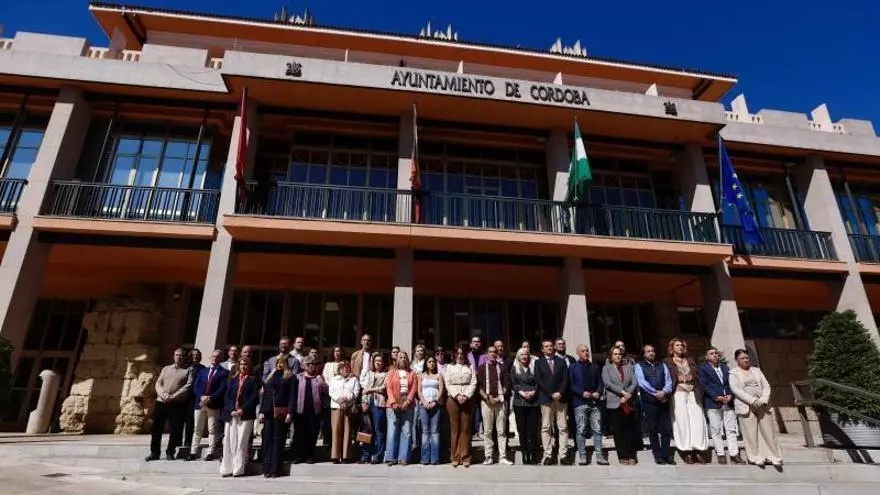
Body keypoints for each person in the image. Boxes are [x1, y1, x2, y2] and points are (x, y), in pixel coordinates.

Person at [729, 349, 782, 467]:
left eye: (747, 358)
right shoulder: (733, 373)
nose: (746, 360)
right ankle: (755, 457)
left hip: (762, 405)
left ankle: (774, 456)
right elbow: (735, 389)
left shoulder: (756, 371)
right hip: (746, 406)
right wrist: (752, 401)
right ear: (737, 360)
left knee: (768, 432)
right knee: (751, 433)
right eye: (743, 358)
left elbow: (766, 385)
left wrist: (763, 399)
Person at [697, 347, 744, 464]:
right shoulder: (703, 369)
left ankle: (734, 454)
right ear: (707, 357)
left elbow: (730, 383)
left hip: (728, 402)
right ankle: (720, 453)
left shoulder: (725, 368)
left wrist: (730, 395)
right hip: (713, 403)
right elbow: (704, 384)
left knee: (731, 429)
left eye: (716, 353)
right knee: (716, 429)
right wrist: (716, 396)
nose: (715, 355)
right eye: (711, 354)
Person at [665, 338, 708, 464]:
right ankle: (687, 451)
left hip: (693, 391)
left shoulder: (690, 360)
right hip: (678, 392)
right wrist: (677, 378)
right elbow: (667, 377)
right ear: (672, 348)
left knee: (697, 420)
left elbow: (697, 375)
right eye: (677, 345)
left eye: (682, 345)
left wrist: (692, 377)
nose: (680, 347)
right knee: (681, 420)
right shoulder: (667, 362)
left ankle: (698, 450)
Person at [146, 348, 192, 462]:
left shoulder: (187, 370)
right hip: (162, 402)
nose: (178, 357)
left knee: (175, 429)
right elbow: (158, 383)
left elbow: (188, 385)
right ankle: (154, 453)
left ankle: (170, 452)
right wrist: (164, 395)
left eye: (181, 355)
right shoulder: (166, 369)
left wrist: (174, 396)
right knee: (157, 428)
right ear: (173, 356)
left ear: (184, 357)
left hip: (176, 403)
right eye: (176, 355)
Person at [220, 354, 260, 477]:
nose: (243, 366)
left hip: (245, 415)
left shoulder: (254, 380)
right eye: (241, 364)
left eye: (245, 364)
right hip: (231, 414)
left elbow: (254, 398)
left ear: (249, 366)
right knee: (228, 441)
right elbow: (227, 396)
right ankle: (227, 469)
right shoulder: (233, 379)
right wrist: (231, 409)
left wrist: (242, 409)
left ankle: (238, 469)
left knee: (241, 442)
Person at [635, 344, 674, 465]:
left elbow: (668, 381)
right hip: (649, 401)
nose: (651, 353)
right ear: (644, 354)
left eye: (652, 351)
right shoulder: (639, 366)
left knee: (666, 429)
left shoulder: (662, 365)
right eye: (648, 351)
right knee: (653, 429)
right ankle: (658, 456)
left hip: (663, 400)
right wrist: (655, 392)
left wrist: (664, 392)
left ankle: (666, 455)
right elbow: (641, 382)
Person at [570, 345, 608, 465]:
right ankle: (582, 455)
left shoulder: (595, 366)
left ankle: (599, 456)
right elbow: (570, 384)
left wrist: (598, 392)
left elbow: (601, 383)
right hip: (580, 403)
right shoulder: (572, 367)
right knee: (581, 429)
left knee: (597, 430)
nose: (586, 353)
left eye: (587, 351)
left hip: (595, 403)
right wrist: (581, 393)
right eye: (583, 351)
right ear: (577, 353)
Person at [188, 349, 228, 461]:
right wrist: (201, 396)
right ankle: (193, 452)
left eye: (218, 357)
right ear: (210, 358)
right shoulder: (202, 371)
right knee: (197, 429)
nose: (215, 358)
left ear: (221, 359)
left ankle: (210, 452)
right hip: (200, 403)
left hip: (213, 404)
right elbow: (196, 386)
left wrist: (210, 398)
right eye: (213, 356)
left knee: (212, 429)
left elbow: (223, 388)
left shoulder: (224, 372)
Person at [535, 339, 570, 465]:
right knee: (546, 427)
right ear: (542, 349)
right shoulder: (538, 362)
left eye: (550, 346)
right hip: (546, 399)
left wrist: (560, 392)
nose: (549, 348)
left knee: (563, 427)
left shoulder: (561, 361)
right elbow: (539, 380)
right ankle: (548, 454)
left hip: (561, 398)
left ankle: (563, 454)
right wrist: (550, 394)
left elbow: (566, 379)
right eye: (546, 346)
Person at [259, 354, 295, 477]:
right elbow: (265, 396)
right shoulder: (271, 377)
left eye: (282, 362)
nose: (279, 364)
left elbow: (292, 396)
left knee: (278, 440)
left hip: (281, 413)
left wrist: (290, 412)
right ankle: (266, 468)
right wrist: (261, 412)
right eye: (277, 362)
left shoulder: (290, 377)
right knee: (267, 439)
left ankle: (275, 469)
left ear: (286, 364)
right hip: (269, 412)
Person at [603, 346, 638, 465]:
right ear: (611, 356)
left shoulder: (628, 367)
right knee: (619, 431)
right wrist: (622, 392)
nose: (617, 356)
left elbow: (634, 382)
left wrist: (628, 394)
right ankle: (622, 456)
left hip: (628, 402)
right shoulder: (606, 368)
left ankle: (631, 455)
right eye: (615, 354)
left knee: (629, 430)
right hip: (614, 403)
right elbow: (607, 383)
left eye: (619, 354)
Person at [477, 345, 512, 465]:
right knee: (487, 430)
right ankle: (488, 456)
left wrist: (499, 397)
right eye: (490, 352)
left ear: (497, 354)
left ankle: (502, 456)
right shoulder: (481, 368)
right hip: (486, 403)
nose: (492, 354)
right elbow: (479, 387)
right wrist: (488, 397)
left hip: (500, 402)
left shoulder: (502, 367)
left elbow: (507, 385)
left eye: (494, 352)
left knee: (501, 430)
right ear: (487, 354)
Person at [444, 344, 477, 468]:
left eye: (462, 354)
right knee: (455, 429)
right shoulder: (449, 367)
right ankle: (455, 457)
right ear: (454, 355)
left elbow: (473, 382)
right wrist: (457, 395)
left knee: (466, 428)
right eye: (457, 354)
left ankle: (466, 457)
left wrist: (466, 395)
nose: (459, 356)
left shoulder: (470, 367)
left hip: (467, 399)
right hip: (453, 399)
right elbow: (447, 382)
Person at [291, 356, 326, 464]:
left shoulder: (319, 377)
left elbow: (326, 391)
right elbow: (293, 394)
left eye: (314, 364)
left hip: (315, 411)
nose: (311, 366)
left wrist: (322, 383)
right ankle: (297, 456)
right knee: (299, 434)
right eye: (309, 364)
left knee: (312, 434)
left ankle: (309, 456)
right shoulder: (297, 377)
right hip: (300, 410)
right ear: (303, 366)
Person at [385, 352, 417, 465]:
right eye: (400, 357)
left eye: (405, 357)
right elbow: (388, 388)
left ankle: (403, 457)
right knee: (392, 432)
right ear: (397, 360)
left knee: (407, 431)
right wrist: (393, 402)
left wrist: (408, 401)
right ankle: (391, 457)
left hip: (408, 405)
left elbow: (414, 388)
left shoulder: (412, 373)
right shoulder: (391, 372)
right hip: (393, 405)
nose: (403, 359)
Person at [510, 348, 540, 464]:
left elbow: (539, 382)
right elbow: (513, 383)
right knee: (522, 430)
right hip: (519, 402)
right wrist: (521, 392)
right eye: (522, 355)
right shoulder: (514, 368)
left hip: (533, 402)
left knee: (532, 430)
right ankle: (525, 454)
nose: (524, 356)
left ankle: (533, 454)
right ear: (518, 356)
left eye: (526, 354)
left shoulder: (534, 367)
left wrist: (534, 392)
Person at [328, 361, 361, 464]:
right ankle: (335, 456)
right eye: (343, 368)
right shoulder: (334, 379)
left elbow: (356, 392)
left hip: (348, 406)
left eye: (347, 368)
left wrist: (346, 400)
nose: (345, 369)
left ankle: (346, 456)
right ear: (339, 370)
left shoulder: (354, 379)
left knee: (347, 431)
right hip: (336, 406)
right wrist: (339, 400)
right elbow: (331, 391)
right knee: (336, 430)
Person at [359, 354, 387, 464]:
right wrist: (364, 402)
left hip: (379, 403)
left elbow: (383, 389)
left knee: (378, 430)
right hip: (368, 402)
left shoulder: (386, 374)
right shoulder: (368, 374)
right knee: (366, 429)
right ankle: (365, 455)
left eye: (380, 360)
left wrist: (370, 390)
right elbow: (363, 390)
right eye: (376, 361)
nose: (378, 362)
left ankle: (377, 456)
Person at [417, 355, 445, 465]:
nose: (432, 363)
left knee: (434, 431)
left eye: (433, 362)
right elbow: (419, 391)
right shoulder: (421, 376)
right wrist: (424, 402)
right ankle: (425, 458)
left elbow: (441, 390)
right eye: (429, 362)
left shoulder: (439, 375)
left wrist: (435, 402)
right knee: (425, 432)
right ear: (426, 364)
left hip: (436, 405)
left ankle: (435, 458)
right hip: (423, 405)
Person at [181, 348, 204, 457]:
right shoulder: (185, 367)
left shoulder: (203, 369)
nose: (195, 356)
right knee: (184, 420)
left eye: (197, 355)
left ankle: (190, 441)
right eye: (193, 354)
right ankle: (182, 440)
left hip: (196, 397)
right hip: (184, 396)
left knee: (193, 421)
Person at [468, 335, 487, 439]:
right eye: (474, 341)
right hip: (470, 385)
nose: (476, 343)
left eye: (478, 341)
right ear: (471, 343)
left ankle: (480, 430)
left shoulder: (485, 356)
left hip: (481, 385)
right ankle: (471, 431)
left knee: (481, 408)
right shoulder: (467, 355)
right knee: (471, 408)